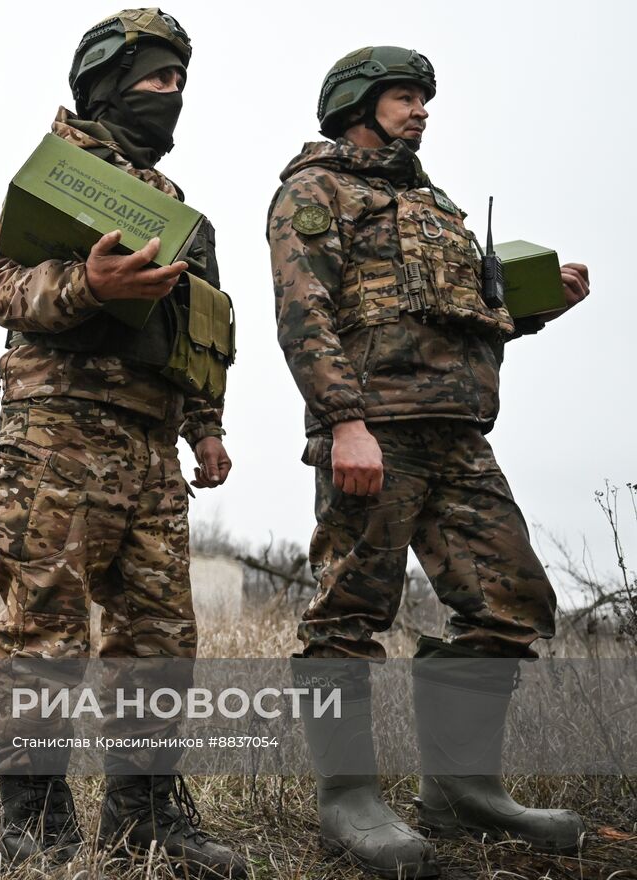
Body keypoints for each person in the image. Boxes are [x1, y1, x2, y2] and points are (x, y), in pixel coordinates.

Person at [267, 46, 592, 878]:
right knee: (348, 616)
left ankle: (461, 790)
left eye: (423, 100)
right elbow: (305, 319)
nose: (419, 112)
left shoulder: (436, 207)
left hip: (458, 434)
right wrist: (345, 423)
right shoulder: (316, 191)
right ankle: (348, 799)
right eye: (404, 97)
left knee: (512, 600)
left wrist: (536, 304)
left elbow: (465, 317)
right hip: (376, 429)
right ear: (356, 103)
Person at [0, 9, 243, 877]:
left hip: (152, 448)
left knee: (163, 641)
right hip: (55, 433)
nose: (170, 96)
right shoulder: (60, 173)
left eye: (178, 83)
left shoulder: (173, 208)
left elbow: (196, 331)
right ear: (105, 81)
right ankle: (37, 824)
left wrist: (206, 429)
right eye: (156, 79)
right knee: (46, 633)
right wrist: (87, 282)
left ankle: (147, 822)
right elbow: (2, 287)